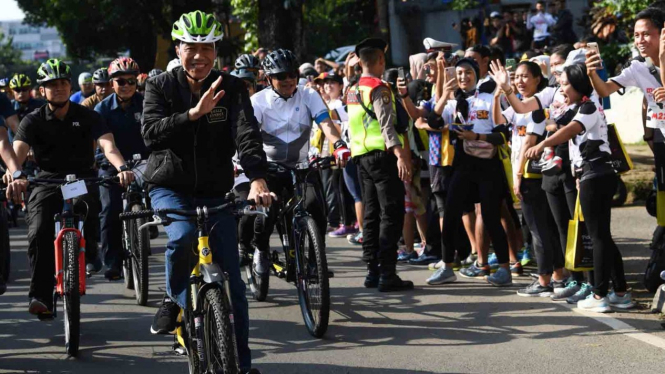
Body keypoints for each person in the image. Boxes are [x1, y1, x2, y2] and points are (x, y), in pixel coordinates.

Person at [141, 11, 270, 374]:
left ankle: (242, 366)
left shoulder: (232, 87)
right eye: (191, 48)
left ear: (217, 51)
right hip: (170, 187)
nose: (199, 56)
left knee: (237, 290)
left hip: (216, 193)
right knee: (181, 237)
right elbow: (150, 134)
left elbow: (247, 135)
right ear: (178, 49)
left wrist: (257, 178)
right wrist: (193, 114)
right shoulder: (160, 86)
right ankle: (173, 297)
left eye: (207, 48)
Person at [6, 59, 134, 319]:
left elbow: (108, 147)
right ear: (41, 91)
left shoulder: (89, 116)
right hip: (47, 181)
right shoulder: (32, 120)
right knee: (39, 230)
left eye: (63, 83)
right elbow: (17, 155)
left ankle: (91, 251)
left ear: (70, 86)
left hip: (82, 179)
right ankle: (41, 296)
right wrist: (15, 175)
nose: (59, 89)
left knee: (94, 207)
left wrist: (121, 168)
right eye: (52, 85)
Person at [525, 64, 634, 312]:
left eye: (564, 84)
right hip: (590, 175)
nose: (560, 88)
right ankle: (620, 292)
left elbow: (570, 131)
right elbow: (558, 125)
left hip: (596, 175)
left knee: (597, 237)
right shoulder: (577, 108)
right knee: (602, 236)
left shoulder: (588, 107)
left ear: (576, 84)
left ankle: (599, 296)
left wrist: (542, 146)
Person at [248, 49, 350, 275]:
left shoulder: (309, 95)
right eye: (281, 76)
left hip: (302, 165)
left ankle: (316, 262)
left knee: (316, 208)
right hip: (270, 168)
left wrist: (339, 144)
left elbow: (325, 123)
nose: (288, 80)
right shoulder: (258, 101)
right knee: (269, 210)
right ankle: (261, 249)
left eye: (292, 74)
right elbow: (249, 138)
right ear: (268, 78)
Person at [424, 58, 512, 287]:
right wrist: (444, 95)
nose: (463, 77)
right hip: (462, 164)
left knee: (491, 216)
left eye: (468, 73)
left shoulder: (489, 98)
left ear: (476, 74)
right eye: (460, 73)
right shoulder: (453, 102)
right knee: (451, 214)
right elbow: (433, 122)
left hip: (488, 164)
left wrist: (478, 137)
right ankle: (447, 267)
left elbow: (503, 135)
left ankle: (504, 268)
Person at [347, 38, 413, 292]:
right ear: (381, 61)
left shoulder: (353, 90)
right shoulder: (379, 88)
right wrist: (400, 155)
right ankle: (388, 272)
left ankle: (372, 270)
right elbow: (386, 125)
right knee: (392, 212)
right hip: (382, 156)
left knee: (372, 214)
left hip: (361, 157)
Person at [500, 61, 564, 296]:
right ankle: (556, 276)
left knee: (539, 230)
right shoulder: (521, 107)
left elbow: (529, 142)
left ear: (539, 78)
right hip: (533, 173)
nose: (519, 81)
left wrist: (517, 176)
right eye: (516, 77)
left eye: (525, 76)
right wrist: (501, 88)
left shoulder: (539, 108)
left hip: (531, 174)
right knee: (545, 228)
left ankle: (545, 280)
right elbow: (498, 121)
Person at [95, 56, 149, 281]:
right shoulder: (101, 109)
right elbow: (107, 146)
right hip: (112, 165)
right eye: (120, 81)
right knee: (110, 210)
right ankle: (112, 261)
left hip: (144, 162)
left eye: (130, 81)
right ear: (111, 84)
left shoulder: (148, 102)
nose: (126, 85)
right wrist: (120, 167)